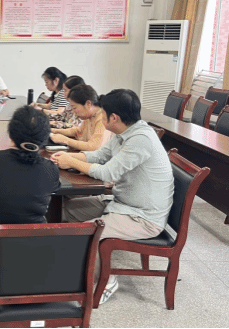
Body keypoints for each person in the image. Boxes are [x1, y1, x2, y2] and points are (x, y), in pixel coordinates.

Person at [50, 89, 174, 305]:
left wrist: (73, 162)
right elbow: (100, 155)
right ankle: (73, 268)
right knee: (63, 210)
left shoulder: (141, 139)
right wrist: (68, 156)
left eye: (103, 113)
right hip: (122, 204)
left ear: (113, 117)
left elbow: (108, 172)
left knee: (87, 232)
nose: (100, 117)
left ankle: (106, 281)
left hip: (143, 217)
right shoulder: (124, 133)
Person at [0, 105, 60, 274]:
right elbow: (53, 189)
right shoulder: (50, 168)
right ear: (45, 139)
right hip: (34, 257)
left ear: (11, 134)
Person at [49, 84, 106, 151]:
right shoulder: (89, 115)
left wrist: (65, 140)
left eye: (74, 107)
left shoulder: (103, 118)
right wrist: (55, 131)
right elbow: (78, 131)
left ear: (88, 104)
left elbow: (93, 146)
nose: (73, 111)